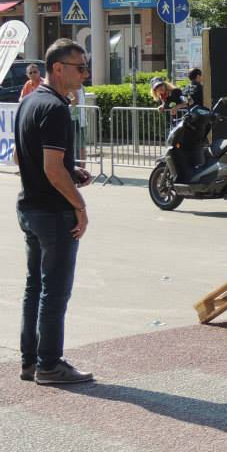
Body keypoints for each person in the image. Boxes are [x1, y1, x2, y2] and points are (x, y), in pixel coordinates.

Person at [14, 39, 95, 384]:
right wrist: (79, 205)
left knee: (35, 287)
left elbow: (22, 157)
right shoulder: (56, 108)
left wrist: (70, 170)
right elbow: (51, 168)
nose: (85, 73)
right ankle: (49, 364)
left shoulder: (29, 101)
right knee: (55, 291)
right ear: (58, 68)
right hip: (53, 212)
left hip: (30, 207)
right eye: (80, 67)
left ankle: (31, 361)